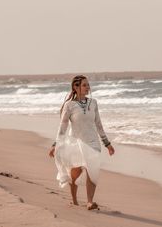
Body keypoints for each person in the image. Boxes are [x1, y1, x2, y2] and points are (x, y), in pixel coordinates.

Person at [49, 75, 115, 210]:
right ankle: (74, 200)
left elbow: (98, 124)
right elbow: (62, 127)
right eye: (84, 85)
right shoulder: (69, 105)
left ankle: (90, 202)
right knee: (75, 172)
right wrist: (55, 144)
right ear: (76, 87)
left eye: (88, 85)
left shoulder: (94, 103)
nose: (87, 88)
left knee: (93, 170)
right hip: (75, 142)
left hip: (93, 142)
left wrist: (107, 144)